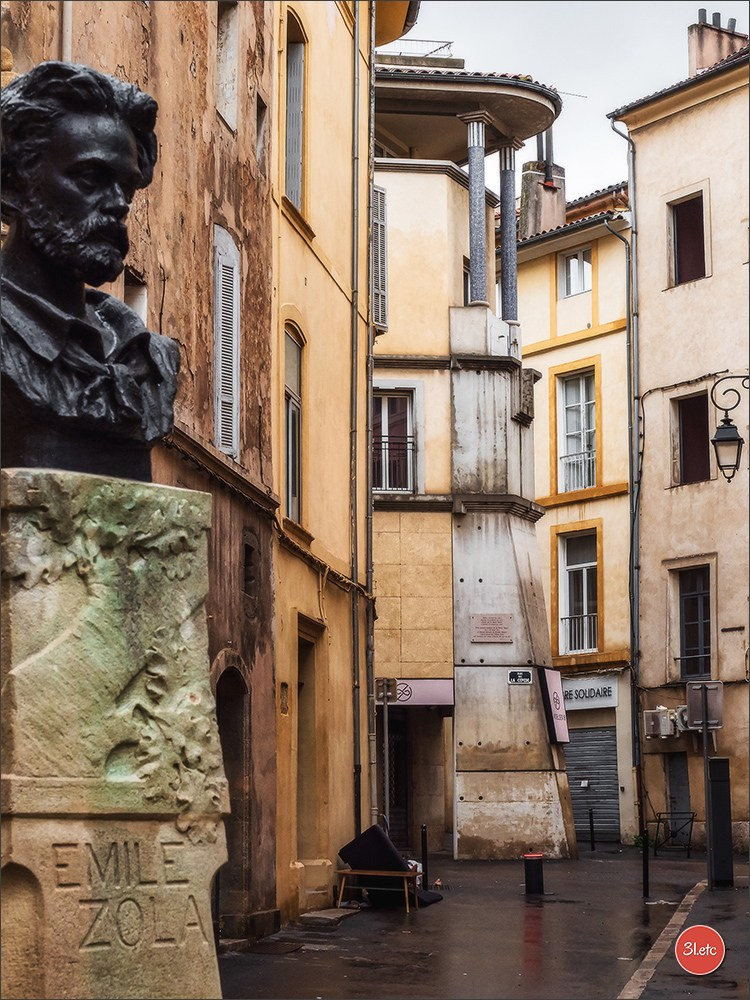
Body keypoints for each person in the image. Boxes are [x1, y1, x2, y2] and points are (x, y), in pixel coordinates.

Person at [0, 61, 179, 481]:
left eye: (127, 187)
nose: (118, 204)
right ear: (11, 187)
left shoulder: (148, 357)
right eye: (89, 178)